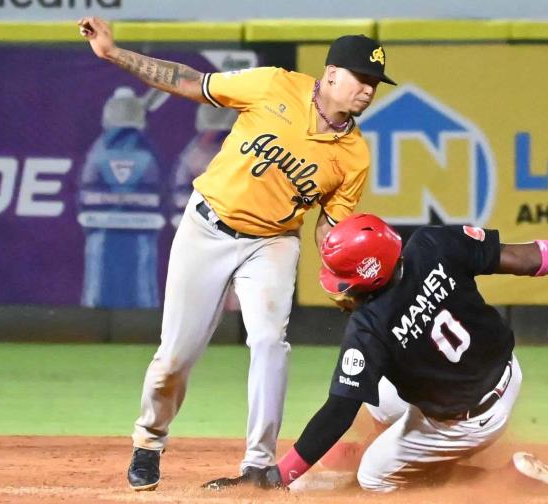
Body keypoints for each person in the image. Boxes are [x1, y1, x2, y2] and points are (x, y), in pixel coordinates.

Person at [77, 17, 397, 491]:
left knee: (270, 343)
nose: (368, 90)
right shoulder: (272, 85)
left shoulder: (353, 155)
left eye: (374, 83)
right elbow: (189, 82)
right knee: (174, 358)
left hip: (273, 242)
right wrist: (114, 53)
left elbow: (332, 225)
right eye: (361, 78)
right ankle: (148, 441)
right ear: (330, 74)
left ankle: (257, 464)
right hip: (207, 226)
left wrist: (340, 269)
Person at [206, 213, 548, 491]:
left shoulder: (369, 326)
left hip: (465, 425)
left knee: (375, 478)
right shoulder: (432, 244)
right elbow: (525, 260)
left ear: (363, 277)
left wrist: (277, 475)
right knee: (373, 387)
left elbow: (336, 411)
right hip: (504, 373)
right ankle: (388, 445)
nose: (338, 288)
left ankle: (509, 480)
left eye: (342, 279)